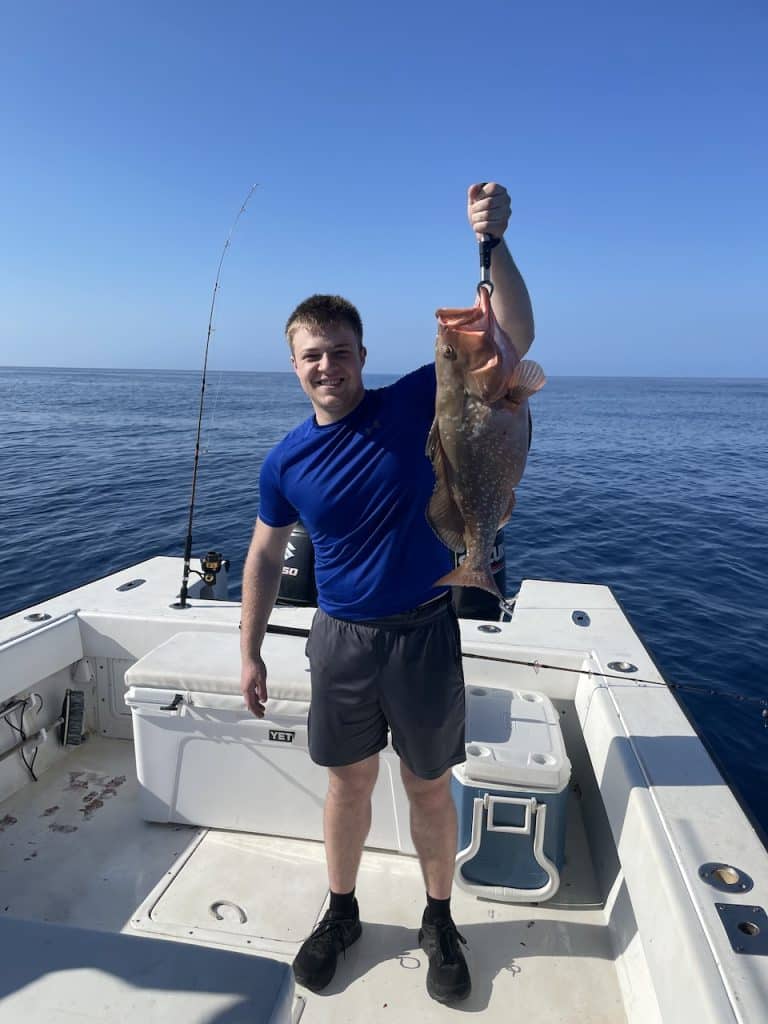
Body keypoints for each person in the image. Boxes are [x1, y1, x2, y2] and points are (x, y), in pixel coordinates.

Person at [239, 183, 535, 1004]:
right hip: (339, 639)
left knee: (428, 785)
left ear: (363, 356)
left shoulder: (411, 403)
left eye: (339, 350)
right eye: (312, 354)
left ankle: (439, 917)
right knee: (348, 784)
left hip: (425, 630)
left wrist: (494, 242)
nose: (326, 365)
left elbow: (512, 334)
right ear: (294, 364)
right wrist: (250, 647)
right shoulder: (285, 461)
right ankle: (342, 911)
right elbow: (264, 556)